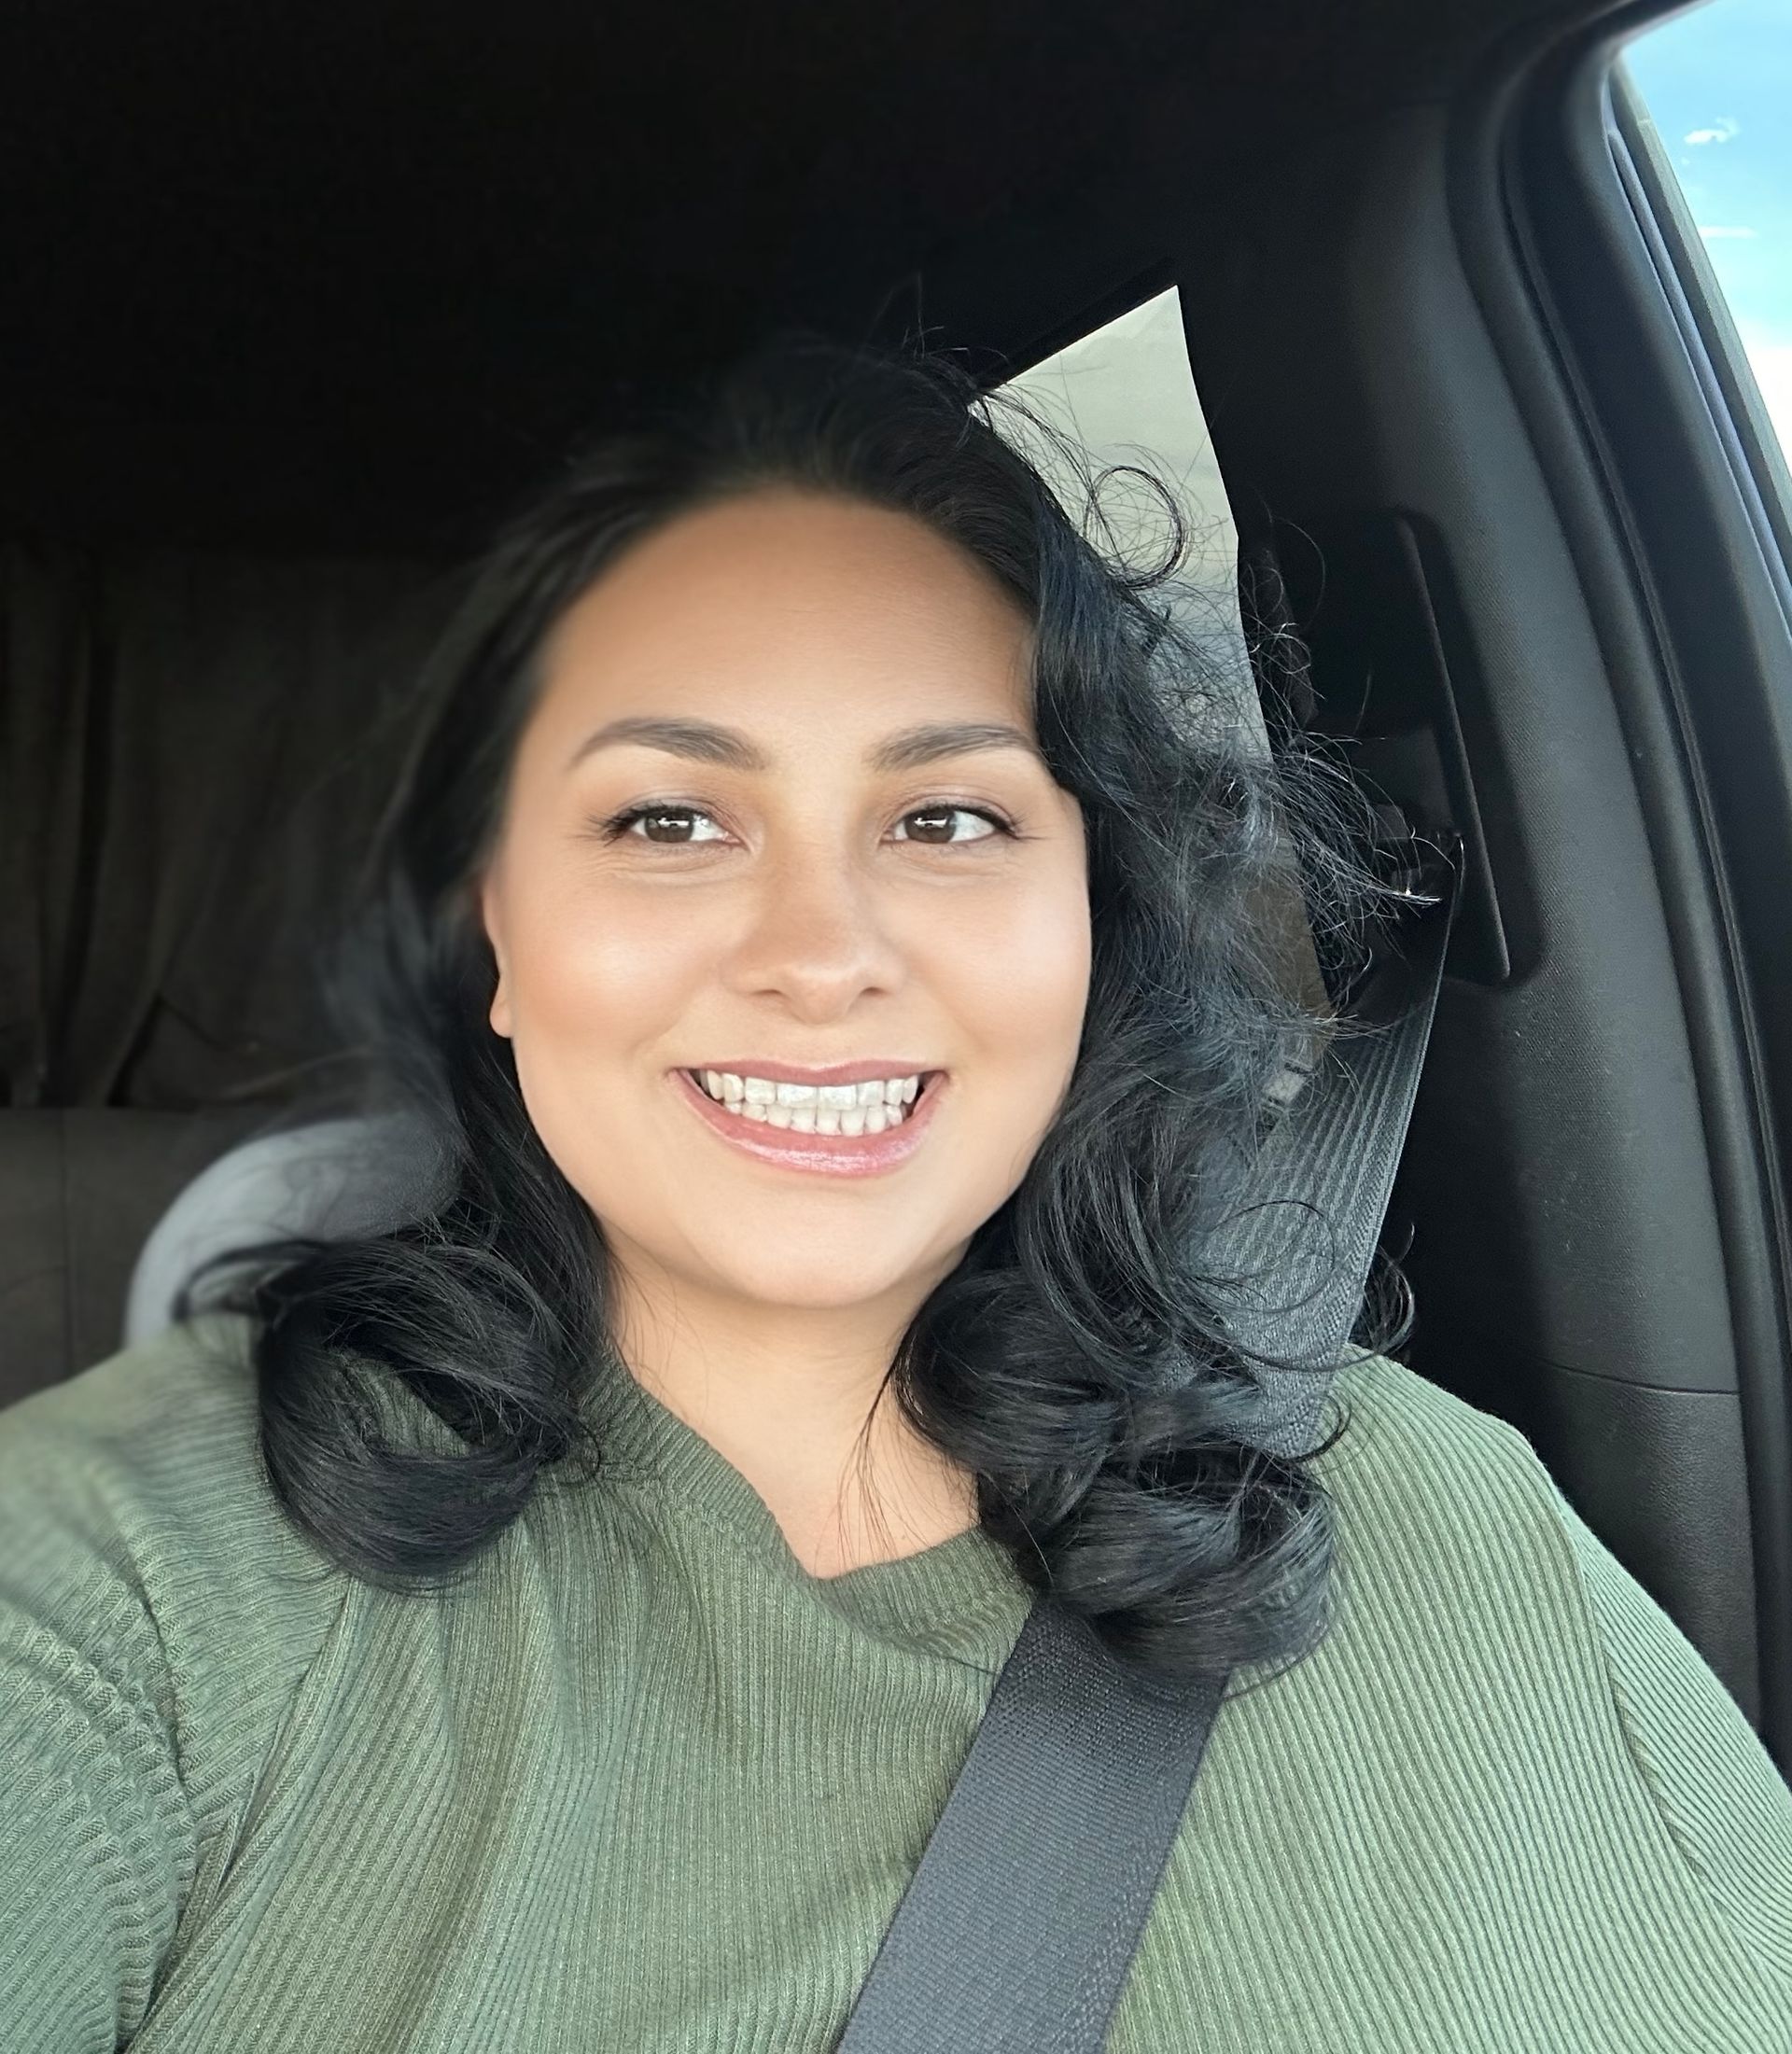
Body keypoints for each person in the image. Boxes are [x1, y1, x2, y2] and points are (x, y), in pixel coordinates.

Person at [3, 335, 1789, 2051]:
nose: (820, 953)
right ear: (499, 927)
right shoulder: (137, 1587)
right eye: (669, 819)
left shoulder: (1430, 1506)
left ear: (1091, 912)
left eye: (947, 819)